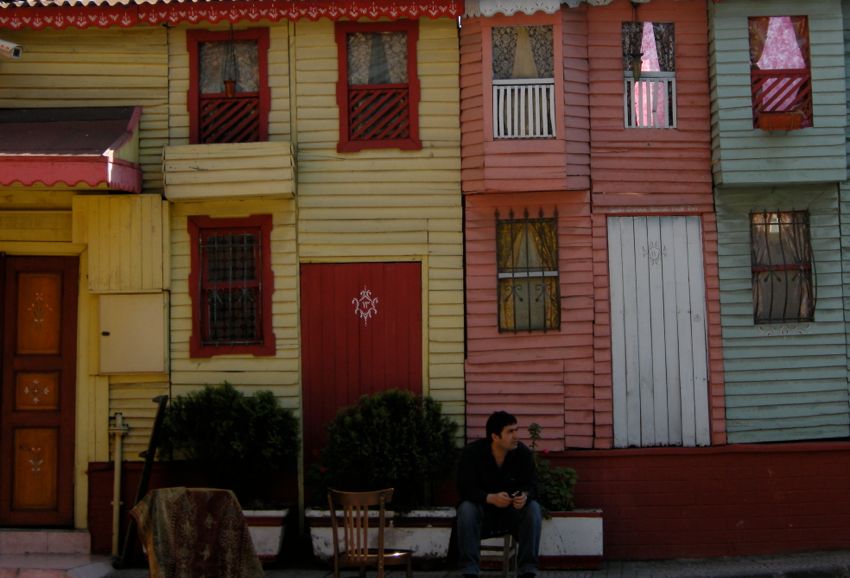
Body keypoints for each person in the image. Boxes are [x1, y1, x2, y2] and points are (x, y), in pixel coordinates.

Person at [456, 410, 542, 578]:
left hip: (511, 512)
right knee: (466, 508)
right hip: (482, 511)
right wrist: (489, 498)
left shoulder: (522, 453)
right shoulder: (472, 453)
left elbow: (533, 485)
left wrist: (524, 496)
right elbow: (464, 488)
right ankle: (469, 571)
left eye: (516, 430)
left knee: (533, 508)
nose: (516, 436)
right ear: (495, 436)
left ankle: (527, 570)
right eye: (510, 432)